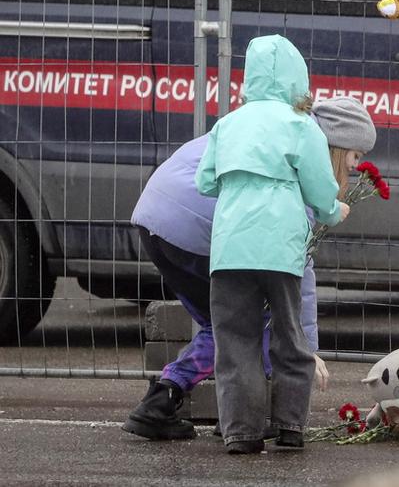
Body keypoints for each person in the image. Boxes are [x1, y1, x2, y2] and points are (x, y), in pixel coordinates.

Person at [123, 93, 377, 441]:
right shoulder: (300, 155)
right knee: (248, 322)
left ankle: (163, 403)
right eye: (355, 156)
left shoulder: (272, 125)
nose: (355, 167)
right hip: (195, 228)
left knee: (223, 326)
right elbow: (297, 265)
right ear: (337, 145)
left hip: (154, 219)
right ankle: (253, 418)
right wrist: (306, 347)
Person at [196, 34, 353, 454]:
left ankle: (242, 433)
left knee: (235, 341)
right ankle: (289, 426)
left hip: (230, 248)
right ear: (295, 79)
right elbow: (321, 191)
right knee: (289, 334)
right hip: (281, 248)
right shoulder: (300, 125)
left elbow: (205, 181)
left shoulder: (227, 124)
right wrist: (334, 210)